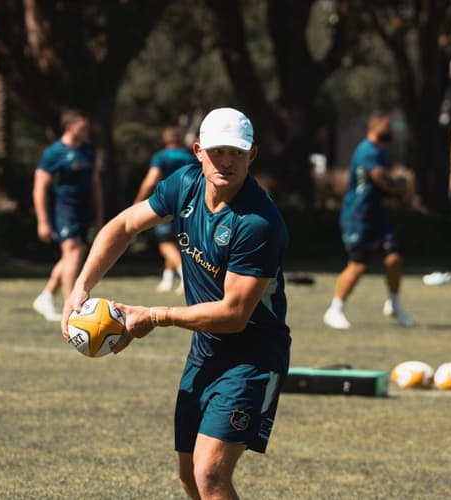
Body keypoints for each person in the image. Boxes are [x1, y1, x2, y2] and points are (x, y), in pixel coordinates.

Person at [61, 107, 290, 499]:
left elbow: (234, 315)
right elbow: (123, 225)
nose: (227, 162)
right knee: (188, 478)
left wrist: (154, 316)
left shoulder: (257, 223)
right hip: (204, 354)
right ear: (199, 151)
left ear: (252, 155)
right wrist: (81, 286)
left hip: (252, 359)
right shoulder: (183, 186)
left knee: (210, 475)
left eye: (237, 152)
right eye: (218, 152)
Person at [323, 111, 415, 330]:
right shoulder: (368, 151)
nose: (390, 132)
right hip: (358, 216)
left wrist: (404, 195)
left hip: (377, 215)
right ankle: (335, 309)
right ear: (373, 128)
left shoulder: (381, 152)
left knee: (393, 259)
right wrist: (401, 187)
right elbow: (381, 179)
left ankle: (393, 304)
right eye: (386, 128)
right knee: (357, 265)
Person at [32, 110, 102, 321]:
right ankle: (71, 308)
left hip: (84, 209)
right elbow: (40, 186)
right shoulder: (54, 152)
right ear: (70, 127)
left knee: (72, 255)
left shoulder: (89, 149)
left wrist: (100, 215)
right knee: (74, 251)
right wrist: (43, 220)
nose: (87, 131)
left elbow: (95, 183)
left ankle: (46, 296)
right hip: (64, 209)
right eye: (83, 128)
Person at [133, 125, 197, 293]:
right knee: (177, 242)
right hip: (188, 204)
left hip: (167, 203)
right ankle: (167, 280)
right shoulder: (188, 156)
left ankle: (185, 276)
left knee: (165, 243)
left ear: (165, 139)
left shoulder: (161, 156)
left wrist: (138, 201)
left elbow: (151, 180)